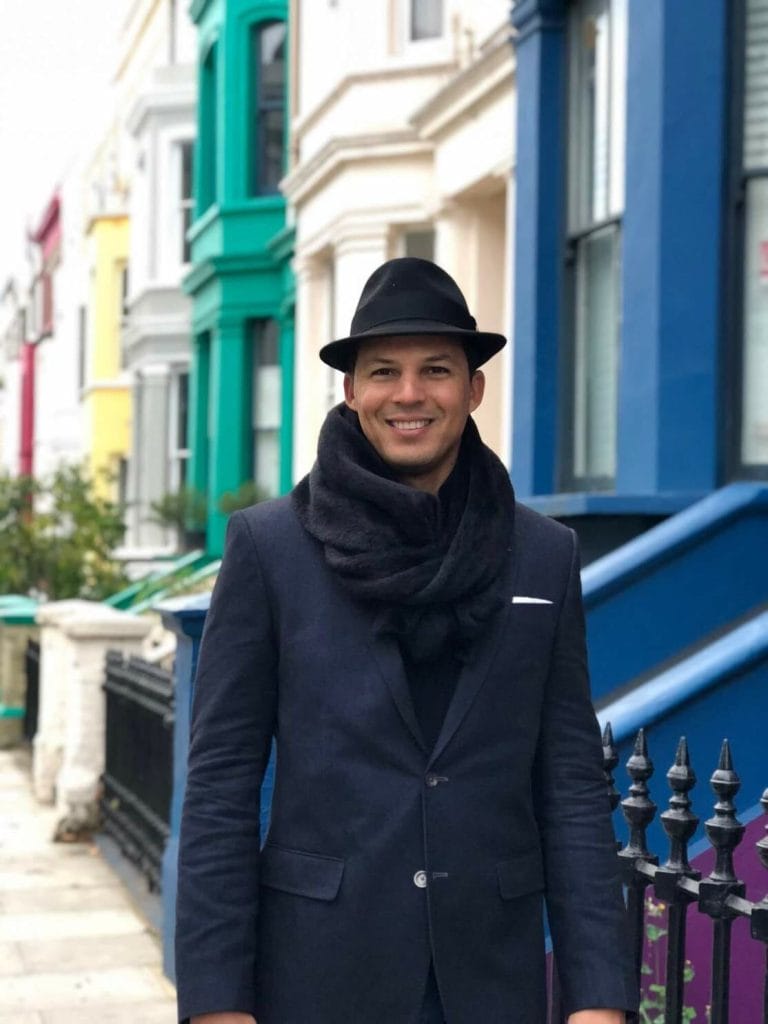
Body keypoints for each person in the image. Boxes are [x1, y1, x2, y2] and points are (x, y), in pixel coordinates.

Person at [175, 258, 638, 1024]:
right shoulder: (270, 549)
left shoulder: (543, 555)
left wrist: (600, 996)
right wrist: (217, 1002)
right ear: (352, 390)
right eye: (383, 370)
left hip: (489, 982)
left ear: (474, 388)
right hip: (319, 978)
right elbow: (221, 786)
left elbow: (571, 786)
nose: (410, 394)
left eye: (437, 370)